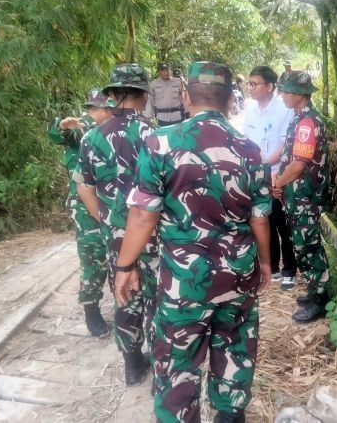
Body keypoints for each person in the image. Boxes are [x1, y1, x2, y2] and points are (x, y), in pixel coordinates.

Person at [115, 61, 272, 422]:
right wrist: (264, 263)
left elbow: (142, 215)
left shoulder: (160, 143)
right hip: (238, 275)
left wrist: (125, 265)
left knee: (177, 364)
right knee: (235, 348)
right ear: (231, 98)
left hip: (184, 283)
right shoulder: (250, 150)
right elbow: (260, 218)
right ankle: (230, 414)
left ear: (186, 95)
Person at [73, 63, 160, 386]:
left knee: (124, 295)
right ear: (143, 95)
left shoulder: (92, 138)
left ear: (111, 95)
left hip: (116, 239)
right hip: (151, 235)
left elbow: (84, 187)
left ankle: (132, 363)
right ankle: (161, 372)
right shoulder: (156, 136)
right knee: (155, 298)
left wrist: (106, 219)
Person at [47, 89, 115, 337]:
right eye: (93, 108)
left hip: (113, 203)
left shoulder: (116, 130)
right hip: (86, 208)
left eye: (102, 108)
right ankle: (91, 308)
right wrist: (62, 126)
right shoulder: (82, 128)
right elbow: (60, 132)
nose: (97, 113)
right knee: (93, 256)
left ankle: (122, 304)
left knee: (118, 256)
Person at [272, 71, 330, 323]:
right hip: (298, 196)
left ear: (298, 95)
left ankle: (319, 297)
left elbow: (298, 165)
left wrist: (279, 183)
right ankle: (314, 290)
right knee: (302, 244)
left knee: (308, 245)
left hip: (305, 196)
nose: (282, 94)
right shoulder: (299, 118)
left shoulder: (307, 123)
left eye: (285, 90)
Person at [243, 65, 297, 291]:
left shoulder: (284, 110)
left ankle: (290, 270)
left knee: (282, 222)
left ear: (269, 87)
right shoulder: (250, 110)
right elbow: (245, 140)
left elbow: (285, 144)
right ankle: (273, 265)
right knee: (263, 219)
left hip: (278, 174)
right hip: (257, 174)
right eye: (250, 84)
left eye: (255, 84)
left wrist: (266, 165)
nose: (251, 88)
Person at [144, 62, 186, 126]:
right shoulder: (153, 84)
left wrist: (188, 112)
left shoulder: (179, 82)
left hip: (177, 116)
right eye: (163, 70)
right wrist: (148, 117)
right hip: (161, 117)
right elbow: (150, 101)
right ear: (159, 72)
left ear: (171, 71)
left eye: (168, 70)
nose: (166, 72)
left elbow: (185, 96)